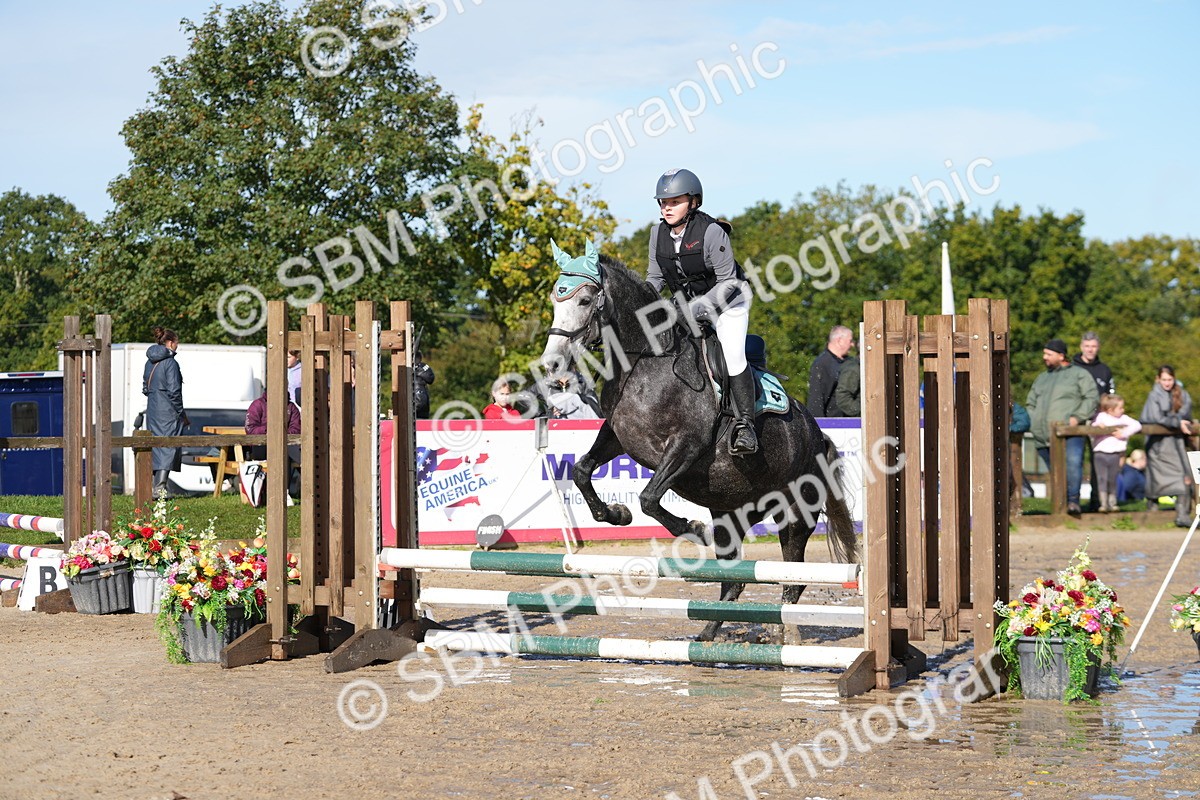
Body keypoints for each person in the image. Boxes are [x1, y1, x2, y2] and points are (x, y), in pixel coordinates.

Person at [645, 167, 757, 455]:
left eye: (674, 201)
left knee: (732, 353)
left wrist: (696, 309)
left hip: (729, 301)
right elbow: (655, 279)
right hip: (686, 307)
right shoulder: (657, 233)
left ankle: (746, 425)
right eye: (663, 202)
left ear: (693, 202)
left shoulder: (711, 232)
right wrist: (641, 307)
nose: (666, 207)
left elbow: (728, 281)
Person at [1025, 338, 1099, 516]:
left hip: (1069, 433)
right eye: (1044, 353)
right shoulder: (1042, 378)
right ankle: (1061, 503)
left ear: (1061, 355)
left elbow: (1091, 397)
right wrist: (1034, 421)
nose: (1044, 357)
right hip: (1042, 435)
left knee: (1073, 465)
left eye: (1048, 354)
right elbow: (1030, 402)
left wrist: (1077, 417)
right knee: (1055, 472)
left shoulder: (1079, 374)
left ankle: (1073, 501)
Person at [1140, 365, 1195, 527]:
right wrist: (1176, 421)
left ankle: (1183, 515)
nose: (1167, 383)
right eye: (1164, 379)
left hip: (1175, 444)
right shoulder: (1154, 395)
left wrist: (1180, 421)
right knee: (1156, 478)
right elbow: (1155, 417)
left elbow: (1186, 413)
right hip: (1158, 445)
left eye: (1170, 379)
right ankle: (1152, 512)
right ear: (1158, 379)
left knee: (1184, 476)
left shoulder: (1181, 394)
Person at [143, 326, 188, 498]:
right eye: (176, 343)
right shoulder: (171, 363)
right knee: (169, 446)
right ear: (170, 343)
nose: (177, 347)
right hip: (168, 409)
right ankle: (159, 488)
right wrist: (181, 413)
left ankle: (157, 486)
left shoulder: (149, 362)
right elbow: (174, 391)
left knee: (156, 446)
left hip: (153, 408)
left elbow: (145, 387)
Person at [1073, 332, 1115, 510]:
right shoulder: (1072, 368)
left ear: (1098, 348)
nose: (1090, 350)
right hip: (1077, 421)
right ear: (1081, 346)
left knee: (1100, 461)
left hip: (1100, 422)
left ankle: (1098, 500)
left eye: (1094, 346)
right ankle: (1072, 500)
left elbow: (1111, 397)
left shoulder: (1104, 370)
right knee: (1075, 460)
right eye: (1087, 346)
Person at [1090, 393, 1142, 512]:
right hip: (1101, 453)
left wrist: (1123, 433)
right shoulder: (1102, 417)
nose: (1122, 410)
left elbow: (1137, 425)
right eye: (1120, 408)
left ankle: (1112, 502)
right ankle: (1103, 503)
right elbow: (1093, 427)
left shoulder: (1123, 418)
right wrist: (1098, 426)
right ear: (1110, 409)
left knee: (1112, 478)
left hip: (1115, 453)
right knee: (1102, 478)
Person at [245, 391, 302, 496]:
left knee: (284, 449)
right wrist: (271, 430)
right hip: (262, 446)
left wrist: (281, 433)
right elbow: (250, 429)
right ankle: (284, 491)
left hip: (285, 444)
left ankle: (285, 491)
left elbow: (296, 429)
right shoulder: (258, 404)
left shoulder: (291, 407)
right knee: (284, 450)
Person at [808, 326, 855, 417]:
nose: (852, 345)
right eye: (850, 341)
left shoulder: (848, 362)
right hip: (831, 426)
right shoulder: (822, 364)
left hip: (848, 425)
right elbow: (816, 400)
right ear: (840, 341)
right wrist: (819, 427)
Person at [413, 350, 435, 420]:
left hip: (418, 408)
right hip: (423, 409)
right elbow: (430, 378)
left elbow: (430, 378)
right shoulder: (424, 367)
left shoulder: (418, 369)